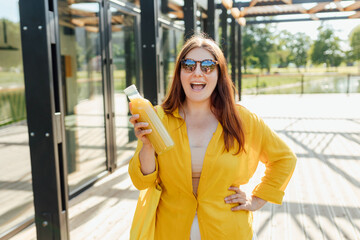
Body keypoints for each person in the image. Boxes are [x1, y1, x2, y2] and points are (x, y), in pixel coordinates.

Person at [128, 34, 297, 240]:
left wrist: (257, 199)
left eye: (207, 66)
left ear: (219, 73)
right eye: (189, 65)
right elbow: (142, 182)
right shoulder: (158, 118)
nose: (197, 73)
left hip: (228, 230)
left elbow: (284, 159)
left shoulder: (241, 119)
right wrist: (147, 146)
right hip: (170, 230)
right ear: (179, 72)